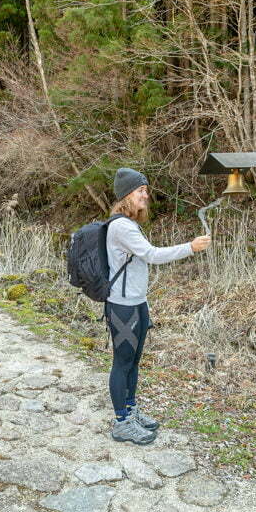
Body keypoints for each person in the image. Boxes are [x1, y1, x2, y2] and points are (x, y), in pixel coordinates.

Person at [106, 168, 211, 444]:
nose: (146, 195)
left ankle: (130, 410)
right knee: (122, 362)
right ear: (126, 195)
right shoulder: (121, 226)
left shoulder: (130, 224)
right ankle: (121, 422)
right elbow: (151, 255)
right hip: (123, 307)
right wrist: (190, 247)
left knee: (134, 361)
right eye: (140, 190)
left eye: (146, 190)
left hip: (137, 303)